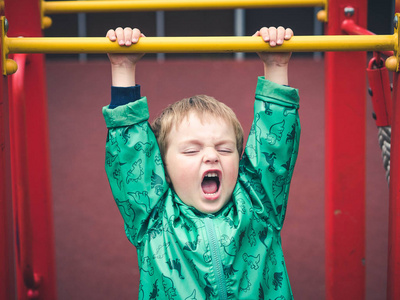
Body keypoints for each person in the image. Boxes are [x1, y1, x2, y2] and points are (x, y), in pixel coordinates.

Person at [103, 26, 300, 299]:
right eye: (191, 151)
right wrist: (123, 68)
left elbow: (273, 144)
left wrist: (276, 65)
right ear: (163, 170)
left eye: (224, 148)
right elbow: (130, 154)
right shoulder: (154, 220)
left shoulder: (258, 205)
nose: (211, 156)